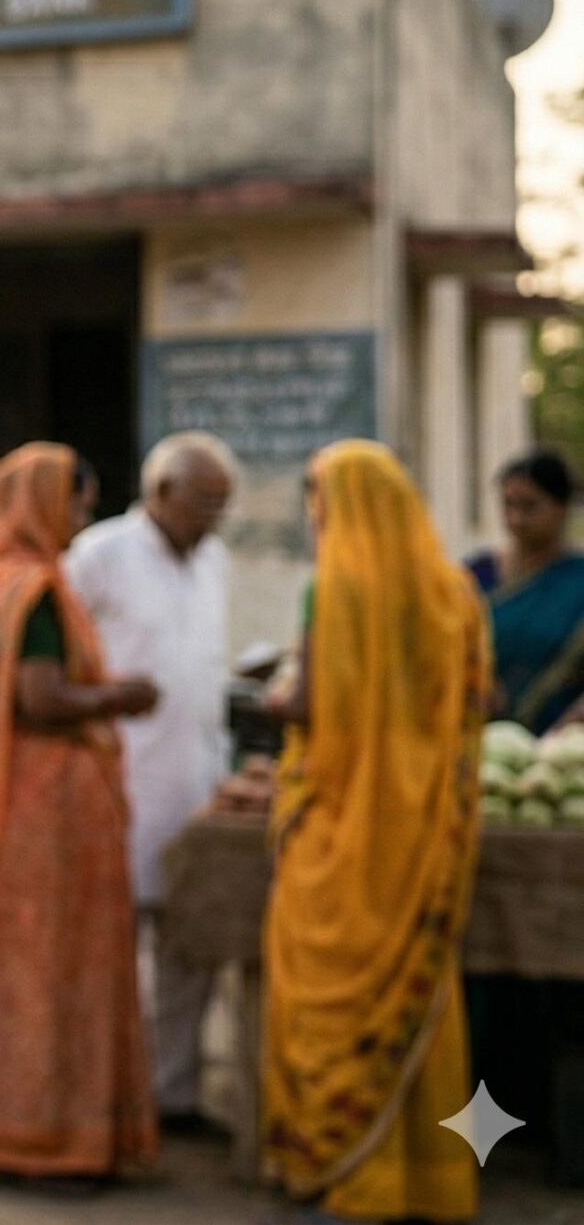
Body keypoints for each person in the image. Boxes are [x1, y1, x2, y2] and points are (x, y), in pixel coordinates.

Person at [262, 440, 485, 1223]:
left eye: (319, 499)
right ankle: (427, 1177)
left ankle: (341, 1164)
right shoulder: (453, 594)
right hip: (418, 833)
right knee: (416, 988)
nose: (315, 516)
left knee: (327, 994)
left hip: (341, 831)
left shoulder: (335, 588)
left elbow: (308, 707)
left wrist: (279, 695)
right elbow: (472, 707)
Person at [0, 443, 162, 1194]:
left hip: (14, 808)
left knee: (23, 971)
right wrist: (119, 697)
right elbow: (40, 699)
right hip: (48, 814)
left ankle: (21, 1133)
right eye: (77, 503)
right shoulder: (31, 592)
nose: (82, 519)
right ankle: (54, 1145)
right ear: (42, 504)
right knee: (59, 970)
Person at [64, 431, 238, 1135]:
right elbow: (54, 654)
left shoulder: (216, 559)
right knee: (108, 953)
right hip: (122, 782)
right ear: (161, 493)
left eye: (224, 507)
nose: (214, 520)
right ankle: (101, 1097)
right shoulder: (100, 555)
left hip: (196, 777)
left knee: (189, 949)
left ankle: (175, 1095)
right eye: (204, 504)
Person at [465, 448, 584, 733]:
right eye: (508, 505)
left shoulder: (577, 578)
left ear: (563, 506)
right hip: (478, 736)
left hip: (563, 748)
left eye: (530, 507)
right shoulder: (478, 574)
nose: (516, 519)